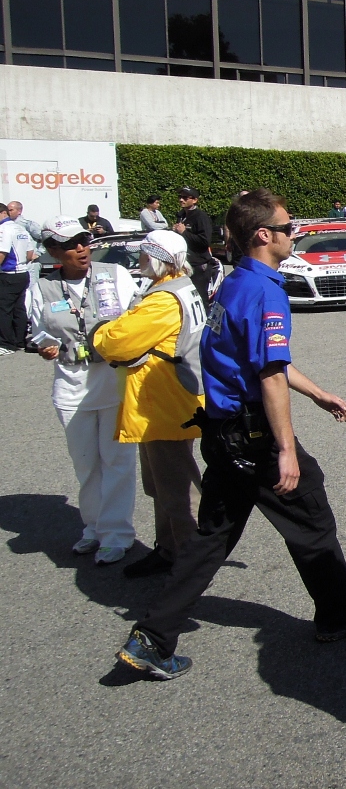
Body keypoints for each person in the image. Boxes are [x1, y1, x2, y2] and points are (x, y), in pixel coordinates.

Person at [114, 188, 346, 681]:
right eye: (287, 228)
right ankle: (338, 615)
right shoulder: (264, 290)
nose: (293, 234)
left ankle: (151, 638)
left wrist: (317, 393)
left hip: (222, 432)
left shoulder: (235, 283)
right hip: (252, 434)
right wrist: (286, 449)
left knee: (212, 537)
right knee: (311, 513)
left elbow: (263, 361)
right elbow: (267, 375)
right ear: (263, 235)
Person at [92, 229, 205, 580]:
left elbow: (116, 343)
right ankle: (170, 549)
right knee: (163, 484)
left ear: (158, 258)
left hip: (164, 402)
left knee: (174, 488)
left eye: (144, 253)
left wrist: (100, 329)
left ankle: (189, 562)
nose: (139, 259)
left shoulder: (163, 299)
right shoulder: (181, 287)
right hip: (169, 399)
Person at [28, 216, 138, 565]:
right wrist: (45, 345)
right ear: (53, 251)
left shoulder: (115, 275)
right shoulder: (41, 288)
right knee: (87, 464)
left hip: (113, 382)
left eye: (84, 241)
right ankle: (93, 528)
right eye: (71, 243)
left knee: (118, 462)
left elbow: (135, 315)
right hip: (71, 387)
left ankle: (117, 534)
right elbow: (37, 330)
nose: (81, 248)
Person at [0, 204, 37, 354]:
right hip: (23, 273)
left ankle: (6, 344)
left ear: (3, 213)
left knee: (4, 310)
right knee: (19, 308)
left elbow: (2, 253)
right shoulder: (21, 228)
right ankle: (19, 340)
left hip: (9, 274)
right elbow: (30, 255)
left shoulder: (3, 229)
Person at [173, 187, 217, 305]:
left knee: (200, 299)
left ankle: (204, 322)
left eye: (185, 198)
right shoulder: (181, 215)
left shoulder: (201, 217)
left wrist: (184, 232)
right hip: (184, 264)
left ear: (194, 200)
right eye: (180, 197)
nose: (181, 200)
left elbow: (204, 242)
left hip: (199, 266)